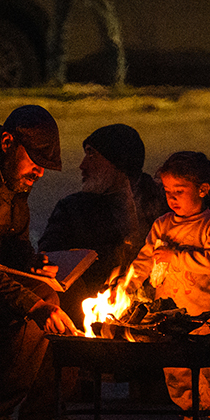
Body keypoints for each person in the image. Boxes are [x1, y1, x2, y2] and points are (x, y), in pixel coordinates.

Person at [0, 104, 85, 420]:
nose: (39, 174)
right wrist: (32, 301)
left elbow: (15, 240)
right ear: (6, 143)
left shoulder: (14, 181)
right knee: (38, 309)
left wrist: (33, 265)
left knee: (67, 299)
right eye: (35, 163)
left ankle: (42, 414)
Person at [117, 151, 210, 420]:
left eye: (179, 192)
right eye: (168, 192)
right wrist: (128, 285)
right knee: (177, 370)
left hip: (203, 312)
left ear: (203, 190)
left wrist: (175, 255)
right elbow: (145, 259)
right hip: (168, 316)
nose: (172, 198)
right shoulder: (162, 225)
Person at [36, 123, 148, 327]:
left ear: (117, 162)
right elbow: (47, 260)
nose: (82, 165)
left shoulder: (160, 201)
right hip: (85, 316)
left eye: (91, 155)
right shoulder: (73, 209)